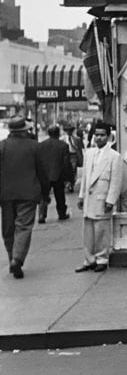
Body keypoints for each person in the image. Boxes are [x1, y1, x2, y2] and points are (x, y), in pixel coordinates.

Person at [0, 116, 47, 279]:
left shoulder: (2, 147)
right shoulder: (35, 147)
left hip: (5, 194)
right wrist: (45, 194)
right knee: (24, 227)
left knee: (8, 230)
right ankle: (17, 259)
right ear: (25, 130)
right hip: (29, 193)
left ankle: (12, 258)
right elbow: (42, 172)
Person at [76, 123, 124, 273]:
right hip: (89, 198)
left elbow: (116, 181)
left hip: (102, 198)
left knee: (101, 231)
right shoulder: (89, 153)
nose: (98, 138)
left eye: (102, 135)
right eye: (96, 135)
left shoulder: (114, 156)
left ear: (108, 137)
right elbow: (85, 177)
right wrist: (81, 195)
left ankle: (102, 259)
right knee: (88, 230)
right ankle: (89, 259)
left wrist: (110, 200)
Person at [38, 125, 73, 223]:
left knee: (43, 196)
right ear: (58, 133)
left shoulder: (41, 145)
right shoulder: (63, 145)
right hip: (59, 174)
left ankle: (41, 214)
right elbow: (66, 163)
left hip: (44, 175)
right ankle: (62, 213)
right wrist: (69, 178)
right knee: (60, 195)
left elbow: (38, 161)